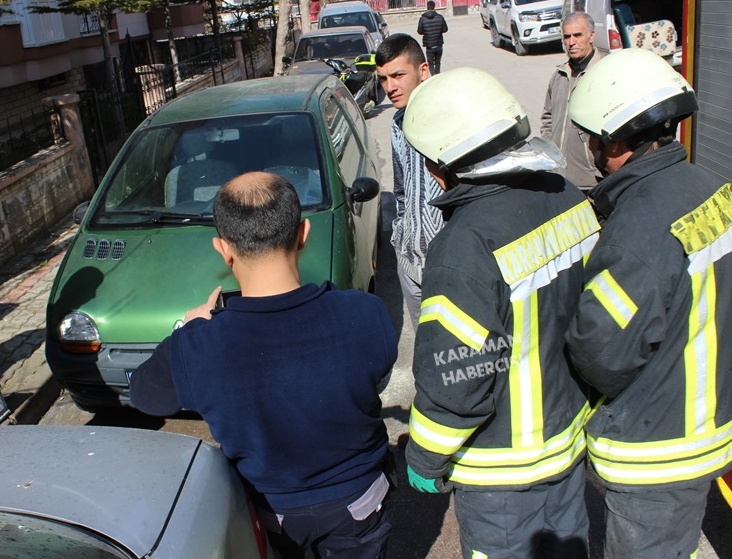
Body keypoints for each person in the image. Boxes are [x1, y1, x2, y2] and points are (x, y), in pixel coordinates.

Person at [129, 172, 397, 559]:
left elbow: (145, 394)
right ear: (303, 233)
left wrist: (186, 329)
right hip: (359, 504)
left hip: (273, 514)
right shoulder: (363, 313)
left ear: (223, 249)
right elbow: (379, 370)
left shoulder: (199, 345)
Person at [402, 67, 600, 559]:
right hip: (569, 443)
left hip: (504, 474)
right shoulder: (568, 197)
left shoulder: (464, 246)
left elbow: (460, 376)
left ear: (440, 163)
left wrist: (425, 457)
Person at [566, 48, 732, 558]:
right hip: (706, 424)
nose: (589, 149)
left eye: (593, 139)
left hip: (657, 450)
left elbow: (601, 354)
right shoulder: (712, 191)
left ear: (618, 140)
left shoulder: (636, 231)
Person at [375, 33, 444, 325]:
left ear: (423, 70)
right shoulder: (397, 124)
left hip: (445, 264)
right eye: (383, 79)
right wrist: (401, 236)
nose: (390, 87)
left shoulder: (449, 116)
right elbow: (401, 191)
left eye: (398, 75)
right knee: (425, 351)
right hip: (410, 261)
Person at [540, 11, 603, 192]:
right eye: (567, 36)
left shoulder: (603, 74)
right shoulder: (559, 76)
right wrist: (550, 150)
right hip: (559, 178)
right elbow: (547, 118)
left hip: (591, 179)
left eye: (577, 35)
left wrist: (595, 161)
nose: (571, 42)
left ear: (591, 36)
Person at [417, 0, 448, 74]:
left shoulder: (422, 19)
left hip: (429, 45)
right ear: (434, 7)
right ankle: (437, 75)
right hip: (438, 43)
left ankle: (433, 76)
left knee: (430, 63)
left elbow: (419, 31)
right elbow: (445, 29)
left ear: (427, 7)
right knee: (438, 62)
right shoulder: (440, 17)